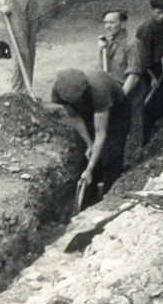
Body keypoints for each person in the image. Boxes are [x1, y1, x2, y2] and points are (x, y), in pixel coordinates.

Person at [51, 68, 130, 207]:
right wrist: (89, 143)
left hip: (116, 112)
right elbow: (74, 116)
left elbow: (101, 133)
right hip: (87, 111)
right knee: (85, 156)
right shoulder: (59, 91)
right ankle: (88, 201)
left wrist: (90, 169)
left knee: (110, 155)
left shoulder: (99, 91)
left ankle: (108, 199)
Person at [98, 9, 146, 164]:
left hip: (130, 93)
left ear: (123, 24)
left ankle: (132, 161)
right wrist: (102, 50)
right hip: (114, 92)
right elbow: (103, 69)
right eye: (106, 22)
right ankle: (113, 162)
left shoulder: (132, 44)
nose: (108, 26)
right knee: (114, 127)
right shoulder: (108, 43)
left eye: (112, 22)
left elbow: (134, 75)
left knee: (133, 125)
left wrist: (121, 96)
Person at [136, 0, 163, 142]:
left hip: (156, 66)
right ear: (152, 11)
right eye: (159, 13)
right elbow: (141, 59)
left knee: (160, 98)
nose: (162, 16)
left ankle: (158, 128)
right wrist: (152, 78)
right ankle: (144, 137)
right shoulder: (147, 29)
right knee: (147, 102)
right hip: (144, 70)